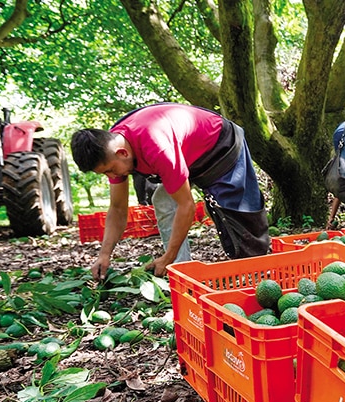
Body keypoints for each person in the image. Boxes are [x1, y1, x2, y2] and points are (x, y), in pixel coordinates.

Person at [70, 102, 270, 280]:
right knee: (164, 201)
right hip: (186, 153)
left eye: (111, 170)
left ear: (122, 153)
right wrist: (104, 255)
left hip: (220, 145)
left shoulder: (156, 146)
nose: (111, 176)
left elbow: (187, 206)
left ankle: (259, 270)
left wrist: (167, 255)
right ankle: (181, 270)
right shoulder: (111, 148)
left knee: (236, 212)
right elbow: (118, 208)